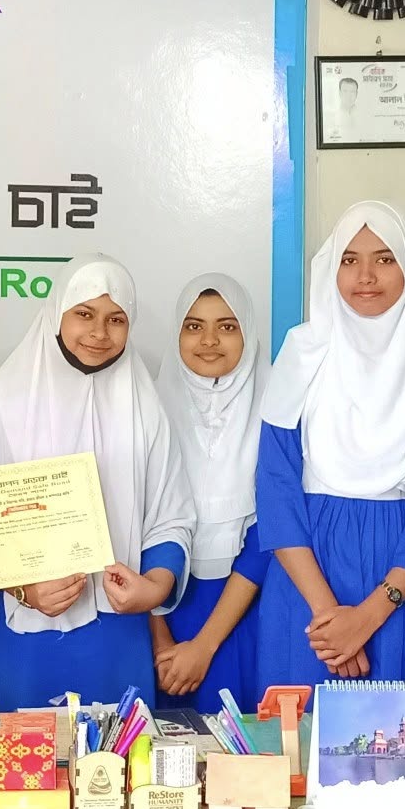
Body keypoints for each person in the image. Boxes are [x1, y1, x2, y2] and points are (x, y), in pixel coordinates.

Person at [0, 254, 194, 711]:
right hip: (20, 637)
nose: (99, 332)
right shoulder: (3, 404)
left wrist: (156, 586)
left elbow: (170, 514)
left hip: (117, 633)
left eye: (116, 319)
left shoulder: (145, 408)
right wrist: (25, 589)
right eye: (84, 313)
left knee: (118, 756)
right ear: (57, 312)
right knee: (17, 755)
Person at [257, 201, 405, 684]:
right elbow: (275, 490)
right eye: (349, 259)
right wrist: (329, 617)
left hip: (404, 586)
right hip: (308, 581)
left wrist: (368, 617)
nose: (366, 276)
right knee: (300, 729)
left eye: (385, 258)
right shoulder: (300, 356)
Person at [150, 274, 271, 712]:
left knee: (244, 739)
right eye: (194, 326)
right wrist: (160, 639)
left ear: (248, 334)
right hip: (162, 611)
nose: (209, 341)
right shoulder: (147, 412)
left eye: (227, 326)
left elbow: (269, 535)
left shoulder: (276, 413)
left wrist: (204, 645)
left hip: (248, 609)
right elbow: (132, 527)